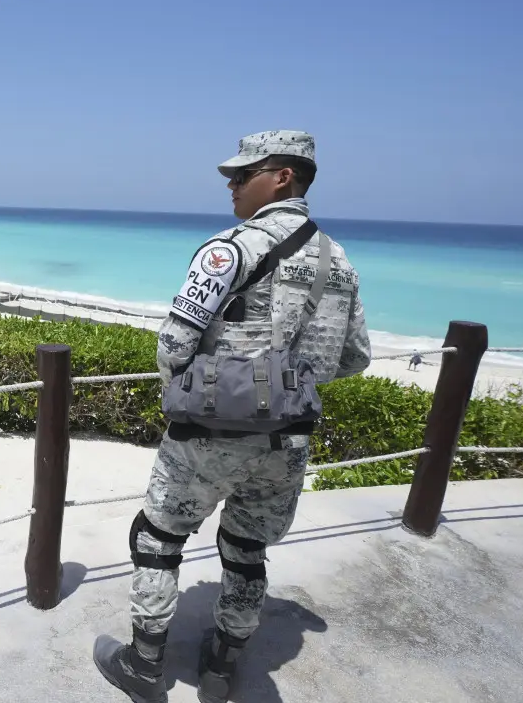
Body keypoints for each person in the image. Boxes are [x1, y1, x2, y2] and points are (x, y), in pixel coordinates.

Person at [92, 130, 372, 703]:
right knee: (246, 552)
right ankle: (221, 667)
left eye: (243, 175)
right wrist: (288, 383)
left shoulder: (229, 249)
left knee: (157, 539)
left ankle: (144, 666)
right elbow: (355, 358)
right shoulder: (338, 261)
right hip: (288, 441)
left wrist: (186, 401)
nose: (231, 184)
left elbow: (173, 343)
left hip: (211, 433)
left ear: (283, 177)